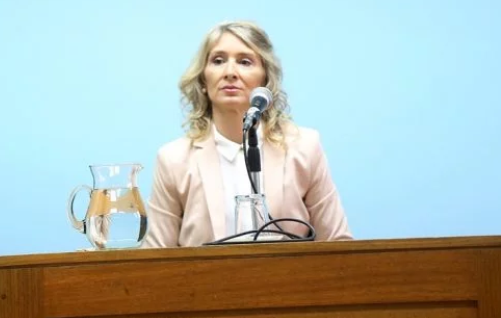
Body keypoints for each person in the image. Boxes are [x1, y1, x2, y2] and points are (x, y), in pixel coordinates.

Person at [142, 21, 352, 248]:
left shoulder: (304, 147)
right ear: (203, 79)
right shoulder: (174, 159)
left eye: (244, 62)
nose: (230, 73)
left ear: (265, 80)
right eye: (218, 61)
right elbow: (155, 256)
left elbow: (338, 244)